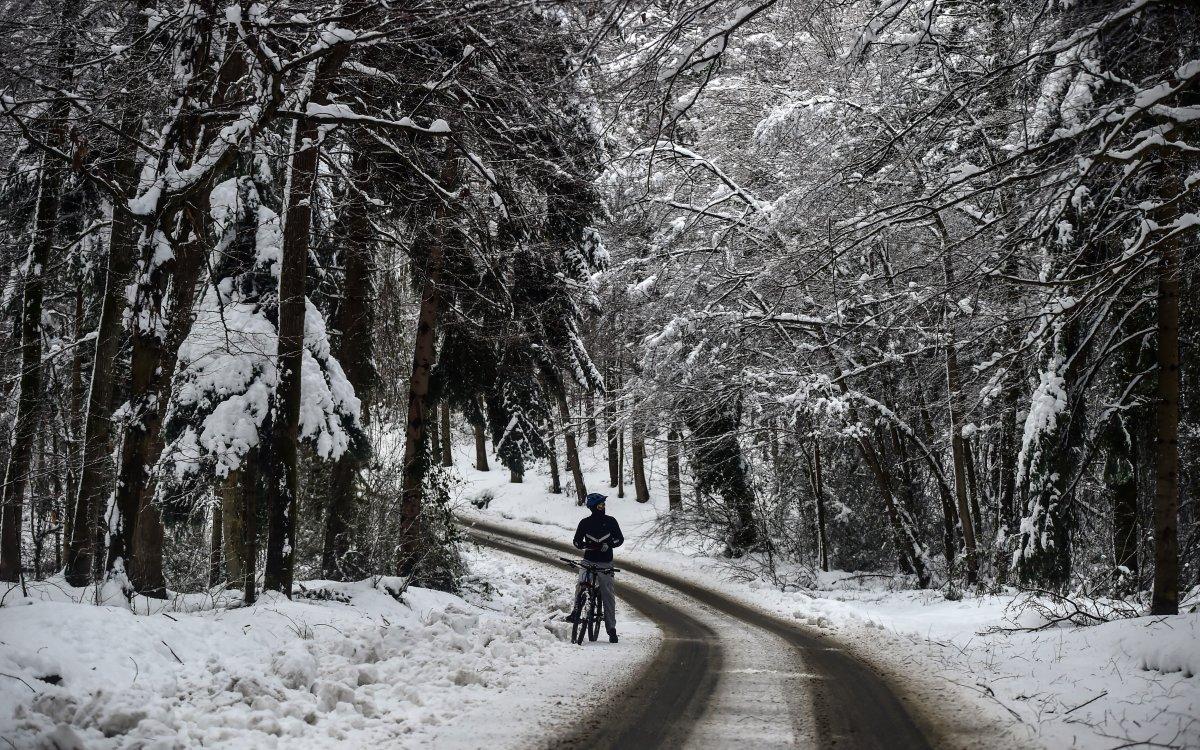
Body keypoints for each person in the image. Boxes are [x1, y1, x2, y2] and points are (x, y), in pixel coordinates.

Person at [565, 492, 624, 642]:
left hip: (605, 563)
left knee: (608, 595)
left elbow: (620, 539)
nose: (603, 507)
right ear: (593, 507)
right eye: (600, 505)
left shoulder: (611, 521)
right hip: (588, 561)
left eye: (604, 505)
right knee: (580, 585)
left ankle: (611, 629)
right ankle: (576, 612)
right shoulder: (585, 523)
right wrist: (583, 545)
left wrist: (609, 544)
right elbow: (576, 541)